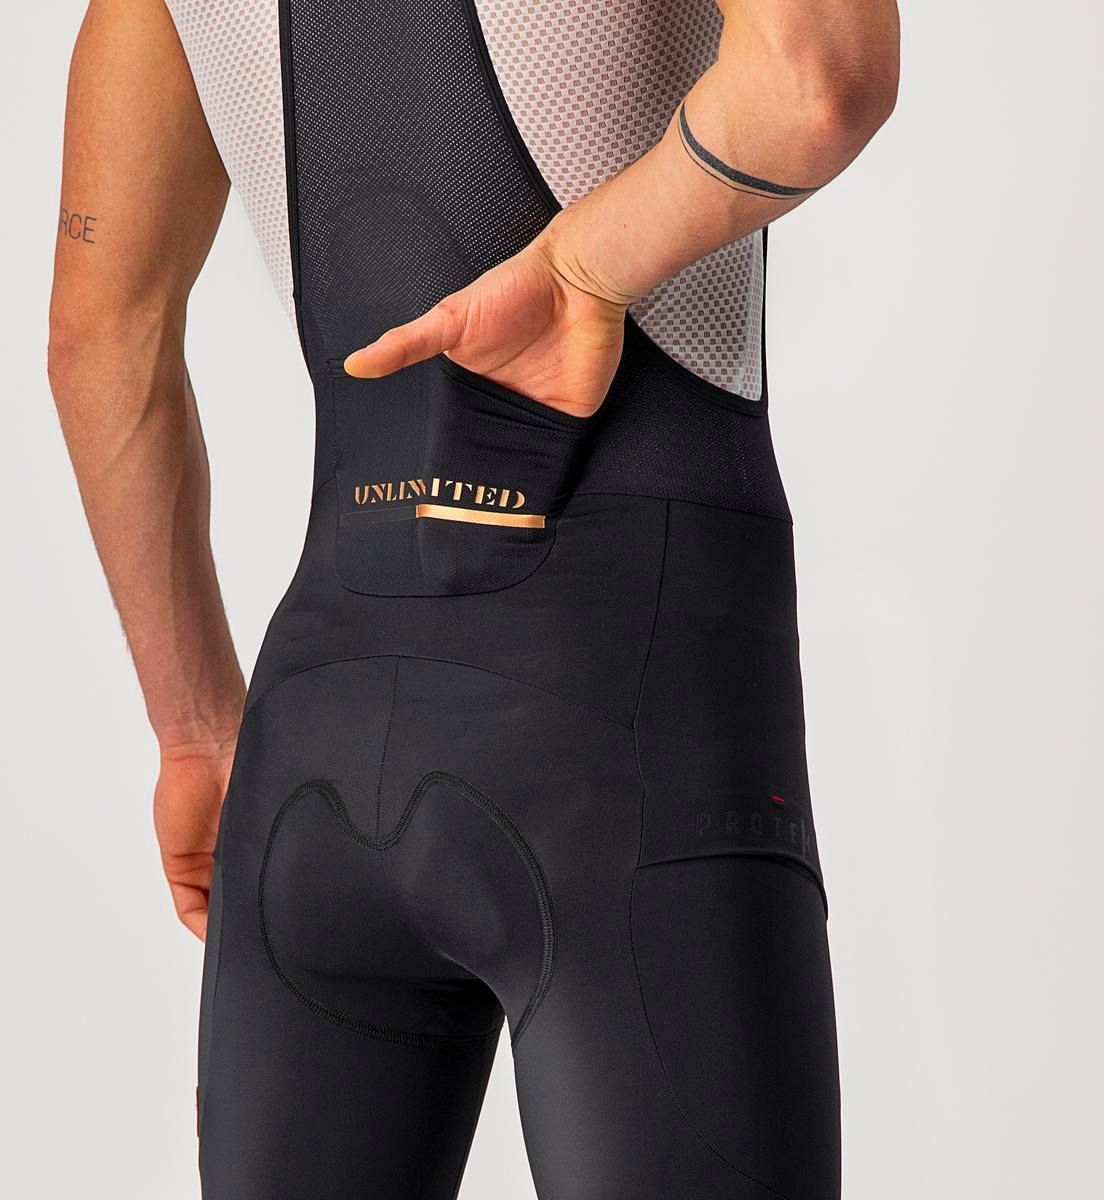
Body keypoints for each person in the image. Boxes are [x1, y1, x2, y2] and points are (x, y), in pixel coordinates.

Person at [48, 0, 898, 1195]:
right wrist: (582, 270)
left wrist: (193, 731)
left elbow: (98, 340)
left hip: (312, 763)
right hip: (631, 736)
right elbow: (816, 80)